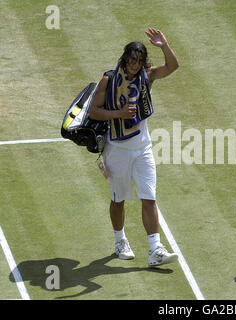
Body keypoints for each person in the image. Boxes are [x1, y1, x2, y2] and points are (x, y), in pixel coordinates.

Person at [89, 28, 179, 266]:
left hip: (143, 149)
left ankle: (155, 249)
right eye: (131, 60)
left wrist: (164, 46)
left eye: (139, 61)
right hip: (117, 150)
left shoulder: (148, 76)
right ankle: (120, 241)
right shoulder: (108, 80)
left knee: (149, 197)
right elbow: (94, 111)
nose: (134, 65)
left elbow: (173, 66)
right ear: (124, 59)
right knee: (118, 199)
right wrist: (118, 113)